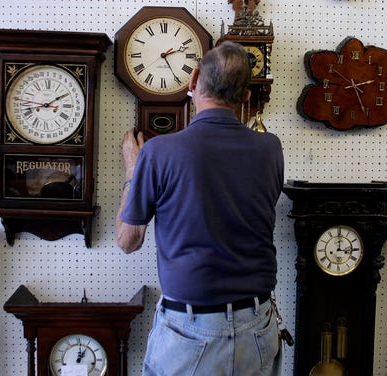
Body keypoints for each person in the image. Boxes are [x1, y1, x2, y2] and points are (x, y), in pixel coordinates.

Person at [115, 41, 284, 375]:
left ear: (192, 81)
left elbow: (127, 241)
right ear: (245, 99)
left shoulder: (158, 152)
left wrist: (134, 172)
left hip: (191, 331)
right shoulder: (271, 149)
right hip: (258, 325)